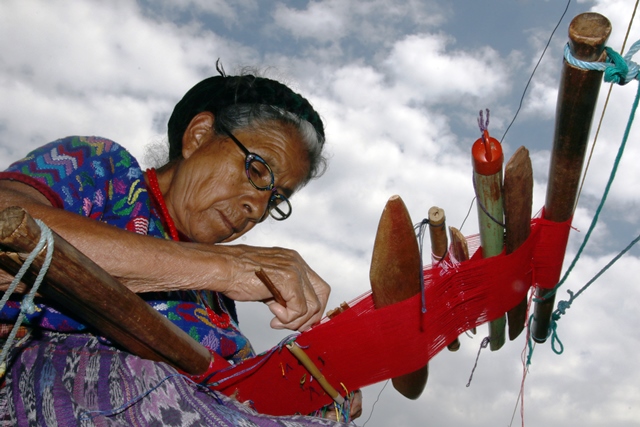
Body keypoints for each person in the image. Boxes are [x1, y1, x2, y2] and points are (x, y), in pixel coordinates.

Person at [0, 66, 362, 426]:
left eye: (276, 198)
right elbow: (8, 218)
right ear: (199, 136)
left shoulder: (213, 299)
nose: (257, 207)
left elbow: (229, 391)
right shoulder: (102, 167)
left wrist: (308, 385)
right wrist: (228, 267)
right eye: (257, 170)